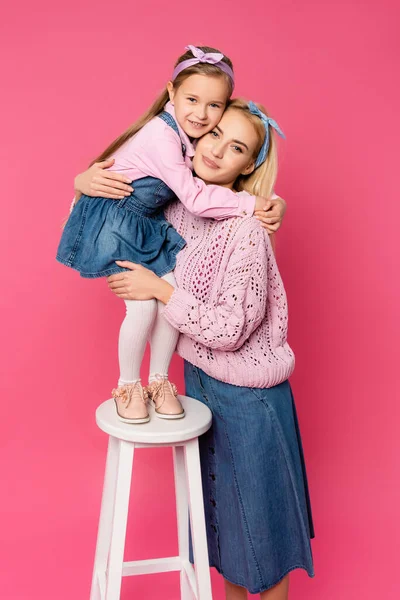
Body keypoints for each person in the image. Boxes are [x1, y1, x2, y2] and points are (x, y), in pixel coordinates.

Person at [86, 98, 315, 599]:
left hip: (252, 398)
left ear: (248, 166)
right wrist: (81, 181)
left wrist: (161, 290)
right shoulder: (170, 202)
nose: (217, 150)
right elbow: (109, 190)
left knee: (266, 547)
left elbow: (232, 328)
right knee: (232, 543)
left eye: (236, 148)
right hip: (202, 387)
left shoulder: (247, 229)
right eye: (214, 134)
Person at [57, 45, 286, 425]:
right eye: (192, 99)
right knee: (144, 306)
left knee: (169, 297)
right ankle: (128, 385)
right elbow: (196, 197)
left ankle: (159, 382)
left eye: (213, 106)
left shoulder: (191, 136)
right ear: (171, 92)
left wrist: (273, 200)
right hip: (111, 224)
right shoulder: (161, 137)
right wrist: (251, 204)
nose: (201, 113)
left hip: (142, 226)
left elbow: (219, 165)